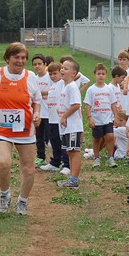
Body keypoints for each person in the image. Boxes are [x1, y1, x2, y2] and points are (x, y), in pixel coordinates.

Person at [0, 42, 41, 215]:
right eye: (16, 57)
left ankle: (23, 201)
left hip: (25, 131)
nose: (20, 61)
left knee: (29, 168)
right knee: (3, 163)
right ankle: (4, 195)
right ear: (8, 58)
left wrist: (37, 114)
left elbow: (37, 101)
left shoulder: (31, 77)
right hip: (2, 129)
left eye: (23, 58)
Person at [56, 58, 84, 189]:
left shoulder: (72, 87)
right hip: (67, 127)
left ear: (74, 73)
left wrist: (64, 116)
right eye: (62, 67)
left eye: (66, 68)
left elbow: (76, 105)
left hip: (73, 126)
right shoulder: (65, 86)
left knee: (74, 151)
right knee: (70, 152)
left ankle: (74, 180)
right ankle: (72, 178)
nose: (62, 70)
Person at [84, 63, 118, 168]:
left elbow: (113, 104)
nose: (101, 76)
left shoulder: (109, 89)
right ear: (94, 75)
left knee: (110, 136)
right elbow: (88, 105)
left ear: (106, 75)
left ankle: (110, 157)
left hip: (107, 118)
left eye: (103, 74)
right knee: (97, 138)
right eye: (98, 73)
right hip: (96, 119)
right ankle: (97, 157)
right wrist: (90, 118)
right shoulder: (91, 90)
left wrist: (116, 117)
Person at [40, 62, 70, 174]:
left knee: (63, 142)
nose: (53, 76)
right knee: (54, 141)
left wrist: (63, 69)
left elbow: (76, 75)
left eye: (55, 73)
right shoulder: (52, 86)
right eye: (50, 74)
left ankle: (67, 164)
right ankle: (55, 163)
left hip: (59, 120)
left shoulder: (63, 83)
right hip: (51, 118)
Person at [32, 54, 50, 167]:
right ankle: (40, 157)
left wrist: (41, 93)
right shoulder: (33, 78)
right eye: (35, 64)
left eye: (39, 64)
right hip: (38, 113)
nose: (37, 66)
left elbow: (55, 90)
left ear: (45, 65)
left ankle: (58, 158)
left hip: (50, 112)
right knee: (39, 136)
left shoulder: (50, 77)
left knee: (50, 137)